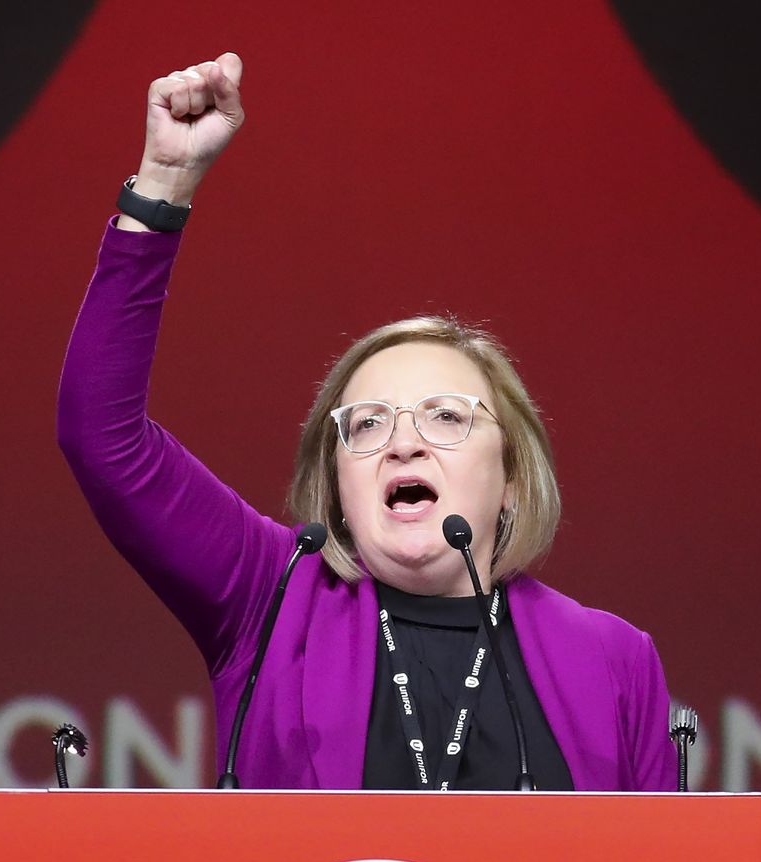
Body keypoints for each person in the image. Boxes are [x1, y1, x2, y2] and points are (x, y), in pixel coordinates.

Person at [57, 52, 672, 790]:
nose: (404, 440)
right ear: (336, 484)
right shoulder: (271, 599)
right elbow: (103, 434)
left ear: (511, 479)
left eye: (446, 416)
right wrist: (162, 187)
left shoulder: (612, 659)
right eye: (370, 424)